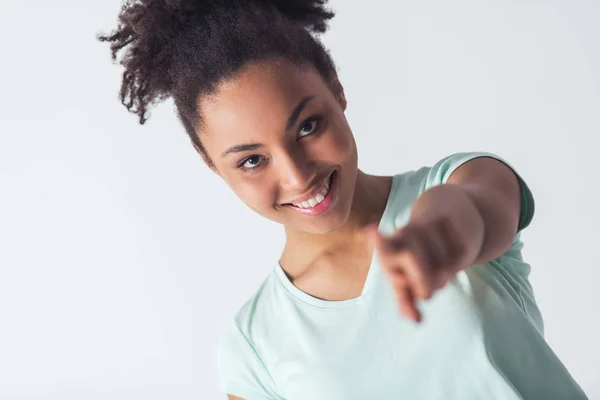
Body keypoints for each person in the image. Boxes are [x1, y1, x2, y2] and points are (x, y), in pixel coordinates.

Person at [98, 1, 588, 399]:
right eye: (251, 160)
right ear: (210, 162)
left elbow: (476, 211)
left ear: (336, 89)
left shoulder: (457, 181)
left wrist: (441, 234)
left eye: (308, 126)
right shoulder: (254, 347)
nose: (296, 175)